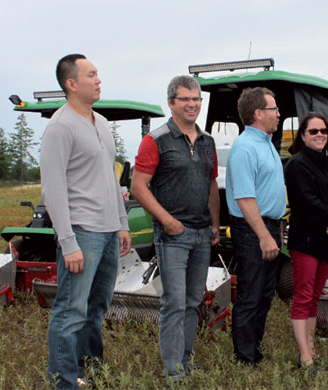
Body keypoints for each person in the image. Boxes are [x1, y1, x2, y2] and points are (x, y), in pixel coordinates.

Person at [41, 54, 131, 389]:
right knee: (70, 311)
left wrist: (122, 223)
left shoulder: (102, 122)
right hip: (82, 232)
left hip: (108, 232)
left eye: (98, 74)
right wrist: (68, 242)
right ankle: (64, 382)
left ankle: (91, 372)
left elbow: (111, 177)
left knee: (97, 308)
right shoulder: (60, 127)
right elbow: (52, 189)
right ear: (71, 84)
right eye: (91, 74)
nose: (98, 80)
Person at [131, 75, 220, 382]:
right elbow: (138, 187)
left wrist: (215, 224)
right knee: (175, 302)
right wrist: (168, 222)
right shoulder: (156, 140)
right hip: (173, 236)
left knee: (193, 301)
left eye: (196, 99)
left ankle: (186, 360)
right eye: (185, 99)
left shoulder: (207, 142)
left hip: (202, 232)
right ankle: (174, 372)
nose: (192, 104)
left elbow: (211, 185)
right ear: (171, 103)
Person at [226, 87, 287, 366]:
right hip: (254, 231)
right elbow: (244, 197)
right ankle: (244, 360)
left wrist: (273, 232)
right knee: (250, 296)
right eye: (274, 109)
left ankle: (255, 352)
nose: (278, 114)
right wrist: (264, 235)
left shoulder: (266, 143)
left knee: (264, 295)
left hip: (269, 228)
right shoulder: (245, 147)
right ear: (258, 113)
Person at [285, 112, 328, 369]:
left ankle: (311, 348)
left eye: (323, 130)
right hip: (306, 241)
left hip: (327, 241)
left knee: (314, 297)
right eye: (313, 131)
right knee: (303, 296)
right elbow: (307, 202)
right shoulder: (296, 165)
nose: (320, 134)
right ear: (303, 135)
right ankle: (305, 356)